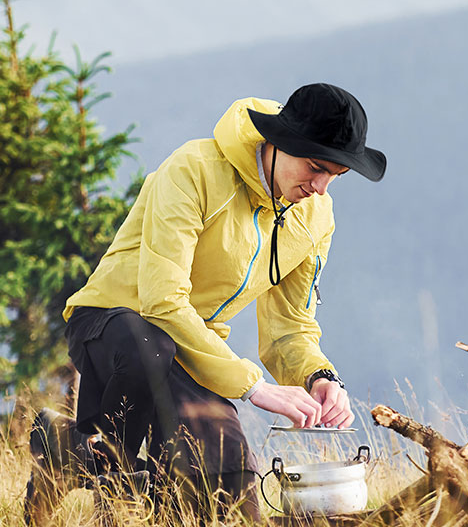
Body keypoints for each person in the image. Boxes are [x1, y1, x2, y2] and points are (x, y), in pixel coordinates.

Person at [30, 83, 386, 524]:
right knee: (150, 349)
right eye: (315, 167)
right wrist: (255, 387)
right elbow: (162, 301)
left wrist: (319, 376)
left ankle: (72, 452)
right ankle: (115, 479)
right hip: (111, 322)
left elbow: (289, 326)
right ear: (277, 143)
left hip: (193, 349)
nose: (321, 187)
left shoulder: (316, 217)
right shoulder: (194, 169)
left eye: (336, 175)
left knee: (225, 478)